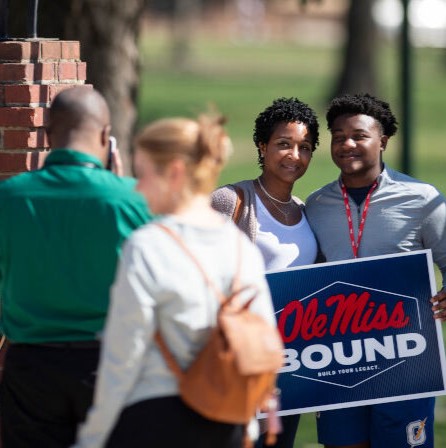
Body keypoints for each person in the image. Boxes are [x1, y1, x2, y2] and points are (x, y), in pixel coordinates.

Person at [73, 113, 277, 448]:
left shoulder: (148, 245)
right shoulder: (240, 247)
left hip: (155, 420)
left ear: (175, 173)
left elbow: (122, 356)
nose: (137, 188)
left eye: (143, 174)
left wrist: (92, 437)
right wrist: (248, 425)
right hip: (229, 421)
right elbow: (264, 340)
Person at [0, 87, 152, 447]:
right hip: (112, 364)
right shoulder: (134, 199)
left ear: (47, 134)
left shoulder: (9, 197)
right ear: (105, 135)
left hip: (30, 365)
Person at [305, 92, 446, 448]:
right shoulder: (317, 204)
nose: (347, 144)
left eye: (359, 136)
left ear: (382, 141)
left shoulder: (422, 198)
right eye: (338, 137)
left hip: (407, 358)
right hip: (338, 359)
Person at [212, 97, 320, 448]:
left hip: (291, 367)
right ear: (262, 146)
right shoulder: (231, 201)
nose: (294, 155)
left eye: (304, 147)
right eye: (283, 144)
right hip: (239, 365)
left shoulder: (307, 212)